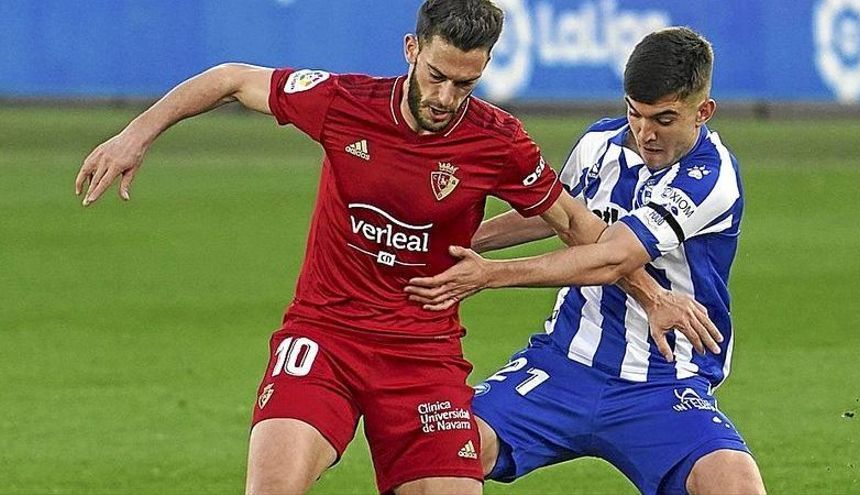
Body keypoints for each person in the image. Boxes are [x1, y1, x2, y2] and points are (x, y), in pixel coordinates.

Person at [74, 1, 716, 492]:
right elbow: (230, 78)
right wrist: (137, 133)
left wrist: (652, 294)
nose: (445, 98)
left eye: (464, 84)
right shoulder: (342, 103)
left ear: (484, 69)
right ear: (412, 49)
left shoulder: (499, 141)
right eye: (436, 76)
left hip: (423, 358)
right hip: (325, 338)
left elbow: (577, 225)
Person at [406, 27, 767, 494]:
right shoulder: (600, 143)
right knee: (440, 454)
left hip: (660, 384)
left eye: (664, 119)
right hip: (563, 366)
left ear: (704, 111)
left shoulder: (710, 177)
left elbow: (611, 258)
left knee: (735, 485)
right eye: (635, 114)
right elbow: (553, 214)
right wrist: (450, 241)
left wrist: (489, 275)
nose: (645, 133)